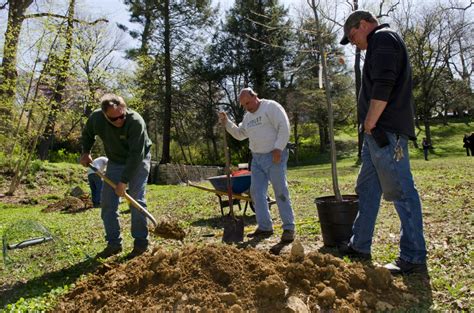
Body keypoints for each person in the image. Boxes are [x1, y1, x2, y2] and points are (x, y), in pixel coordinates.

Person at [339, 10, 427, 274]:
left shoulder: (383, 39)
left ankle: (413, 256)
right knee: (366, 188)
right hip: (375, 136)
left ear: (364, 24)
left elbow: (384, 83)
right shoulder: (378, 43)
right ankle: (360, 244)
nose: (353, 43)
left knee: (401, 190)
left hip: (385, 132)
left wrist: (370, 122)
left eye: (352, 36)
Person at [218, 87, 296, 243]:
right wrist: (227, 123)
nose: (247, 107)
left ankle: (289, 228)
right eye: (244, 105)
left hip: (274, 155)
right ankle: (265, 226)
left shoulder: (271, 107)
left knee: (280, 190)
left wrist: (278, 148)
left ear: (255, 96)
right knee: (256, 192)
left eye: (248, 103)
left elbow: (284, 126)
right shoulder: (248, 118)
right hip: (257, 159)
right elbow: (240, 134)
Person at [80, 93, 152, 259]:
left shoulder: (135, 122)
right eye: (114, 119)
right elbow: (87, 134)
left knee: (136, 199)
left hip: (138, 159)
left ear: (125, 110)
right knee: (107, 203)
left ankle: (141, 244)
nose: (119, 121)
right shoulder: (96, 118)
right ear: (105, 115)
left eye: (122, 116)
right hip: (115, 161)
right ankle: (114, 244)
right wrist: (86, 152)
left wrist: (123, 181)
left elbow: (136, 155)